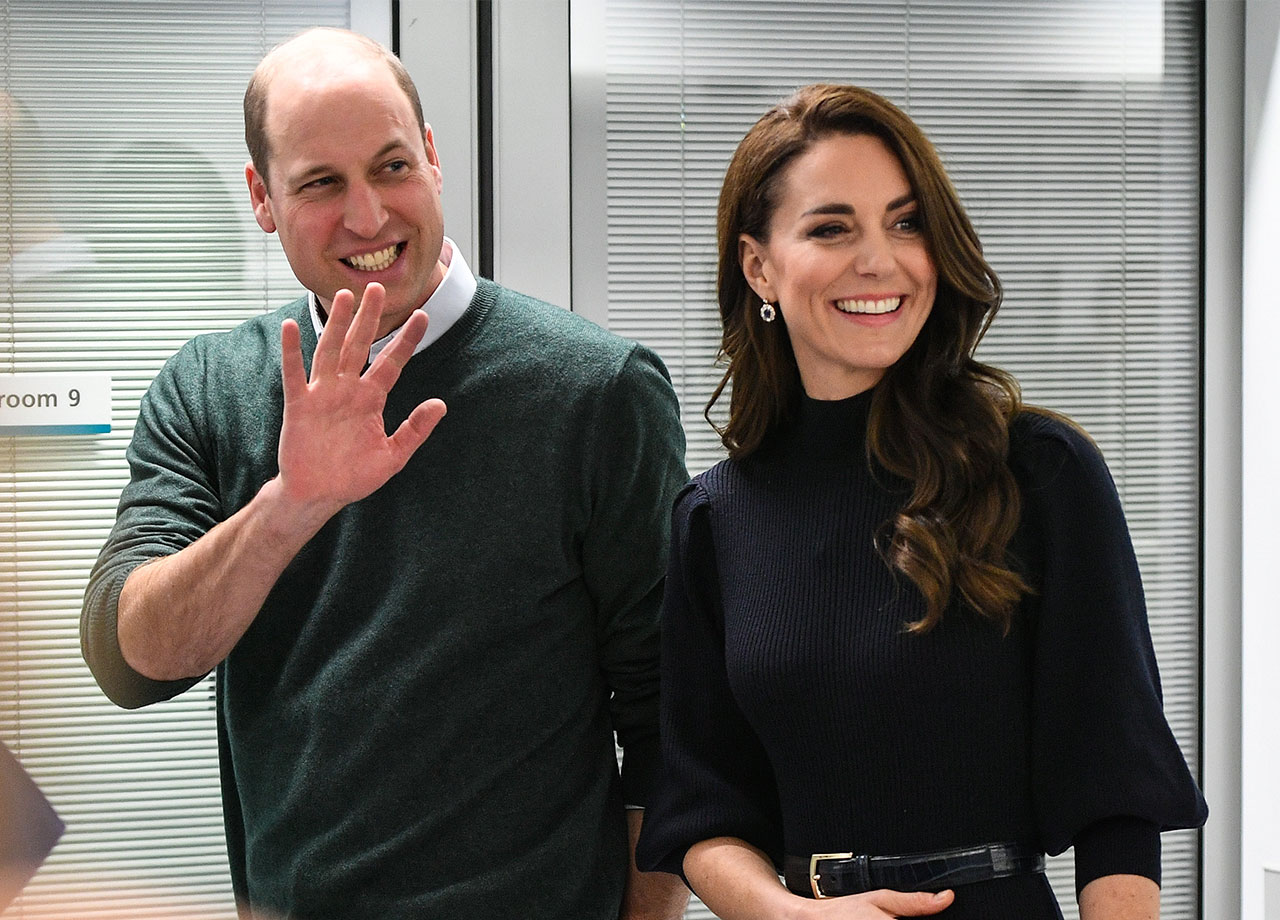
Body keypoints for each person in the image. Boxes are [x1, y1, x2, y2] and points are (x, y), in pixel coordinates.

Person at [80, 27, 690, 920]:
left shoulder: (597, 390)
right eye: (321, 183)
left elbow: (668, 718)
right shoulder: (208, 388)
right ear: (261, 197)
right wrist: (291, 506)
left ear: (434, 158)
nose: (368, 217)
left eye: (392, 166)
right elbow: (130, 662)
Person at [634, 83, 1207, 919]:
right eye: (832, 228)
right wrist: (789, 913)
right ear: (758, 264)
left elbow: (1114, 797)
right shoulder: (714, 521)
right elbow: (703, 810)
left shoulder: (1041, 473)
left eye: (906, 223)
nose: (880, 260)